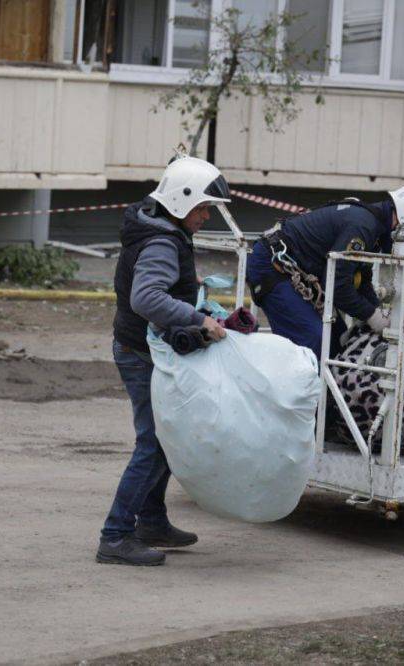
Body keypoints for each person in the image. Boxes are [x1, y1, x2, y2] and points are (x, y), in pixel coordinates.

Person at [98, 156, 231, 566]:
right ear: (180, 201)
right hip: (140, 353)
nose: (208, 216)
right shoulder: (161, 240)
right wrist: (198, 319)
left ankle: (152, 522)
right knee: (154, 443)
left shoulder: (161, 228)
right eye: (203, 208)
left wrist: (197, 300)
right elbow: (147, 298)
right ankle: (115, 536)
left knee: (165, 439)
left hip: (140, 347)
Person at [247, 180, 404, 361]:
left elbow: (360, 279)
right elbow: (337, 284)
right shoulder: (364, 226)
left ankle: (328, 402)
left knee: (338, 342)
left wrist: (377, 312)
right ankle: (304, 403)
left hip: (292, 269)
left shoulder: (374, 227)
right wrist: (372, 316)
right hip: (272, 267)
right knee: (314, 340)